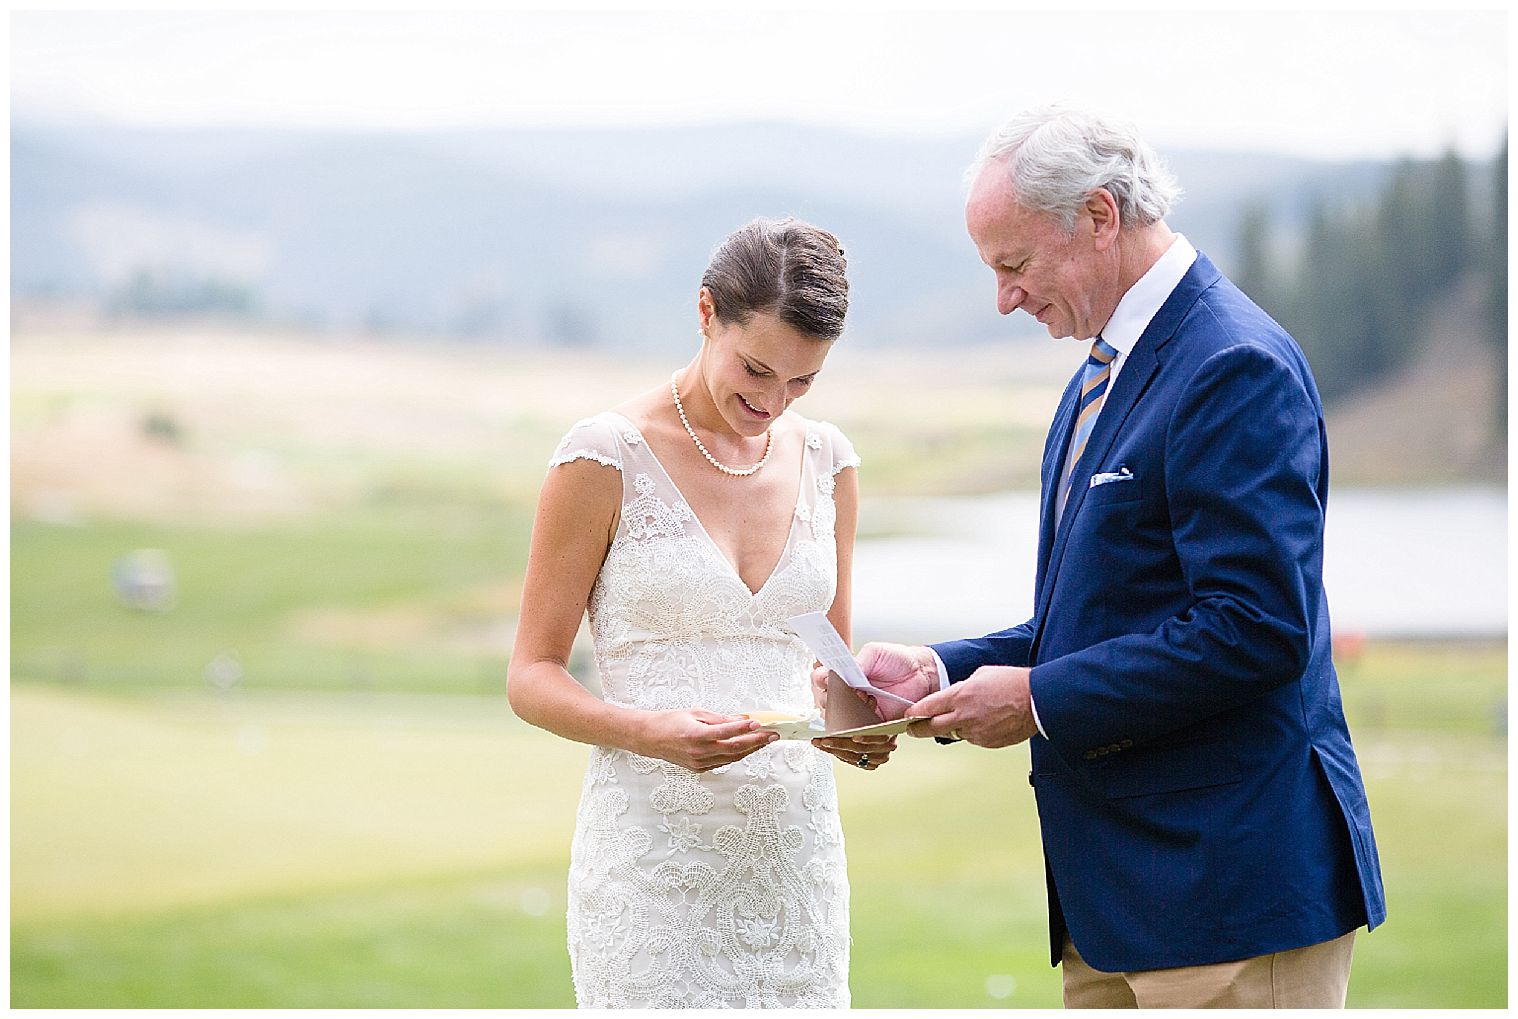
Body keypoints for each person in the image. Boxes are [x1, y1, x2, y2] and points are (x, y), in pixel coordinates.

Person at [849, 106, 1386, 1008]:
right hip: (1114, 908)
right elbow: (1095, 619)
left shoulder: (1232, 364)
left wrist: (1035, 699)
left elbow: (1257, 627)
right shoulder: (1104, 371)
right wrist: (941, 667)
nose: (1004, 298)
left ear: (1099, 217)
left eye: (1014, 265)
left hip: (1226, 897)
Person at [508, 217, 893, 1008]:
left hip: (796, 869)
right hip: (653, 870)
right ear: (707, 311)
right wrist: (649, 731)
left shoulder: (830, 462)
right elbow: (530, 675)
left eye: (801, 382)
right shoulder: (604, 456)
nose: (772, 400)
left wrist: (862, 727)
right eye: (756, 367)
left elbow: (833, 670)